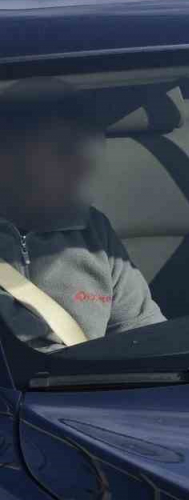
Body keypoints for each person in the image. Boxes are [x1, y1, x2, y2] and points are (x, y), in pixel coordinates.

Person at [0, 81, 165, 351]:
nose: (84, 168)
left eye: (90, 152)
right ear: (7, 156)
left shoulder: (92, 230)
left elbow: (145, 335)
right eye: (64, 152)